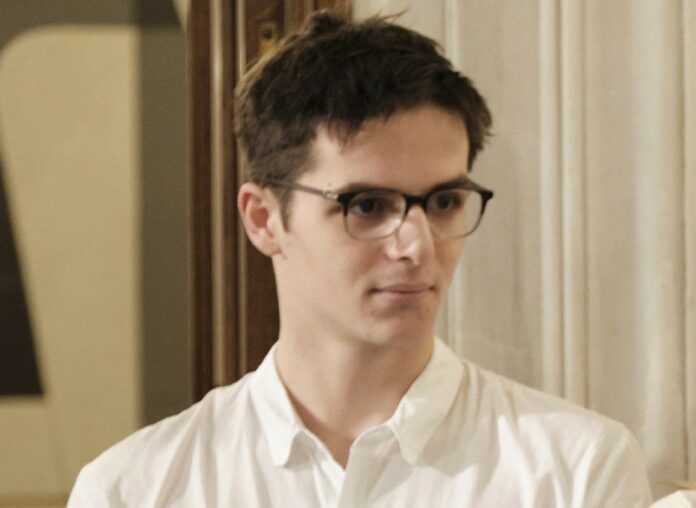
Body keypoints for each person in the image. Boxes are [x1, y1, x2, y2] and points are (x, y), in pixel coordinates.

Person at [68, 11, 653, 507]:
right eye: (368, 206)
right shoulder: (134, 490)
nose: (417, 245)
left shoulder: (575, 471)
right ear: (263, 219)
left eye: (444, 202)